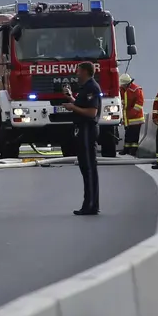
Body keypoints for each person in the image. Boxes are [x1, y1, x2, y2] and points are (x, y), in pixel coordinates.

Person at [61, 61, 102, 215]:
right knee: (85, 167)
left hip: (88, 129)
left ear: (85, 72)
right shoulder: (85, 88)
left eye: (78, 71)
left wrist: (73, 107)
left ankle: (91, 205)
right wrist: (71, 98)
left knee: (89, 168)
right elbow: (83, 105)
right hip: (83, 130)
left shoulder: (92, 88)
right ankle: (89, 203)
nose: (76, 74)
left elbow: (91, 112)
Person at [120, 73, 146, 157]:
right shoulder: (122, 90)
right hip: (127, 118)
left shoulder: (136, 90)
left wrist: (131, 114)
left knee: (134, 135)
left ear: (128, 83)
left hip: (136, 118)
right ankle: (126, 149)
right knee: (128, 134)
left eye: (123, 84)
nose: (122, 86)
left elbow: (139, 103)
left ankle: (133, 150)